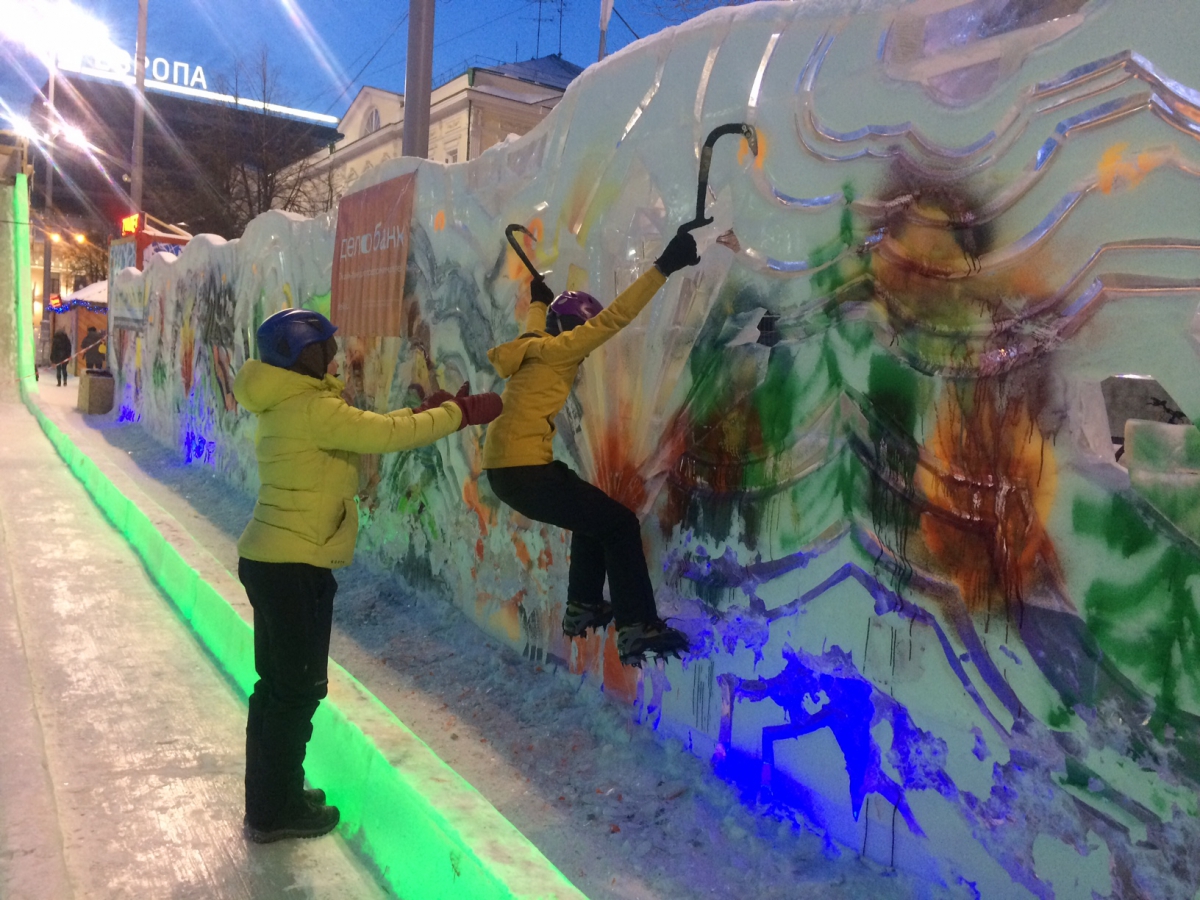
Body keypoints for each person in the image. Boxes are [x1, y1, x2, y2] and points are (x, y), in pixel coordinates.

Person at [233, 308, 502, 843]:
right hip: (295, 565)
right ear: (301, 354)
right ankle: (274, 811)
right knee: (295, 691)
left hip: (275, 560)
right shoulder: (311, 407)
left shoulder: (289, 401)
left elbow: (367, 426)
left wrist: (426, 410)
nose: (334, 359)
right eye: (324, 350)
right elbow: (383, 434)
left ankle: (273, 794)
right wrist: (457, 414)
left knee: (276, 689)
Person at [482, 230, 701, 666]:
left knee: (590, 512)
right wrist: (663, 267)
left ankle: (582, 605)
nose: (583, 356)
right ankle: (637, 627)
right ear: (572, 330)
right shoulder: (561, 350)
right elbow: (615, 318)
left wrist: (539, 301)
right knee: (619, 525)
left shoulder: (533, 347)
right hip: (524, 470)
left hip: (509, 471)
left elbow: (534, 327)